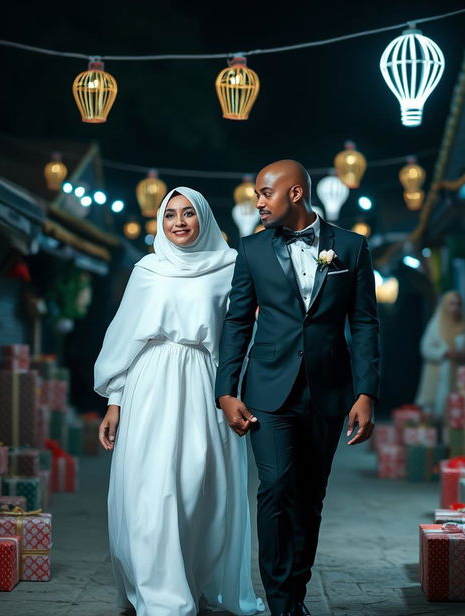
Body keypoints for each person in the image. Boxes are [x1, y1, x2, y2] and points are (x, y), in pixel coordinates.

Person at [215, 160, 381, 616]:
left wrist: (366, 393)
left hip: (328, 392)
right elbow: (235, 322)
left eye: (265, 193)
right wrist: (225, 391)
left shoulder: (350, 246)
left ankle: (297, 594)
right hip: (267, 391)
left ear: (294, 193)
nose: (258, 202)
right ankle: (281, 602)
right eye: (256, 193)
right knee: (275, 486)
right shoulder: (251, 250)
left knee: (310, 497)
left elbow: (364, 322)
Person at [94, 187, 263, 616]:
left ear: (204, 218)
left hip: (206, 386)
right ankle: (158, 595)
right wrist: (115, 400)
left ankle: (191, 581)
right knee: (149, 492)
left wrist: (235, 392)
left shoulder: (230, 268)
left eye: (189, 213)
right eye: (170, 215)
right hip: (149, 385)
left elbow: (242, 336)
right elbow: (124, 339)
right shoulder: (148, 269)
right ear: (161, 222)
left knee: (199, 493)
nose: (180, 222)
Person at [415, 290, 465, 422]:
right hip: (439, 376)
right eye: (451, 304)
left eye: (458, 304)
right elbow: (425, 348)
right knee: (436, 416)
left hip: (461, 377)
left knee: (459, 414)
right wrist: (444, 353)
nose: (455, 308)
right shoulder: (435, 326)